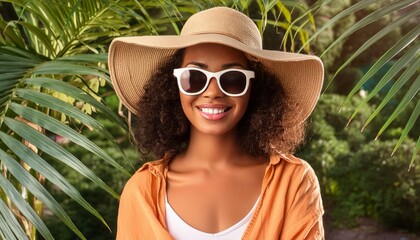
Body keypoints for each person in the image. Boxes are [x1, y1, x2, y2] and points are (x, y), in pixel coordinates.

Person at [109, 6, 324, 240]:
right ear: (173, 86)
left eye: (232, 79)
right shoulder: (141, 192)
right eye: (194, 78)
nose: (213, 92)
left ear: (256, 87)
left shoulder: (293, 182)